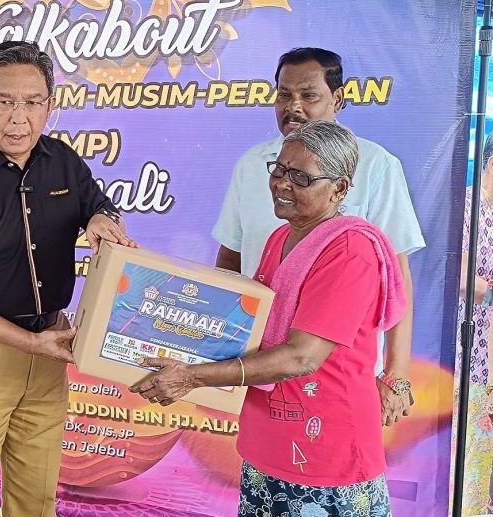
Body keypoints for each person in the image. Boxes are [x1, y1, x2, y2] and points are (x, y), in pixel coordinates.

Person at [133, 120, 404, 515]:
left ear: (340, 188)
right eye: (279, 169)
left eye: (301, 177)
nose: (282, 184)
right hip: (267, 437)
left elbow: (301, 357)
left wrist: (192, 376)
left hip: (326, 448)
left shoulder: (350, 251)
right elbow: (248, 329)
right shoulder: (280, 237)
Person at [0, 41, 135, 517]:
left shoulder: (63, 161)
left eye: (33, 102)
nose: (19, 118)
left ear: (50, 106)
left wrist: (102, 218)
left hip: (50, 350)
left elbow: (99, 205)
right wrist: (30, 343)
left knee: (36, 501)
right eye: (5, 101)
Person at [212, 48, 423, 426]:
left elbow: (397, 278)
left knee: (332, 456)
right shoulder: (253, 165)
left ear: (337, 100)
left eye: (308, 95)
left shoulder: (375, 165)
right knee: (261, 458)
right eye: (284, 94)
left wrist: (397, 374)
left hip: (336, 372)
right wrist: (216, 349)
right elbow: (231, 259)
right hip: (257, 366)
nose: (293, 106)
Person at [452, 131, 493, 514]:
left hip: (487, 359)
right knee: (467, 458)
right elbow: (458, 273)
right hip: (469, 359)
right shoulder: (467, 208)